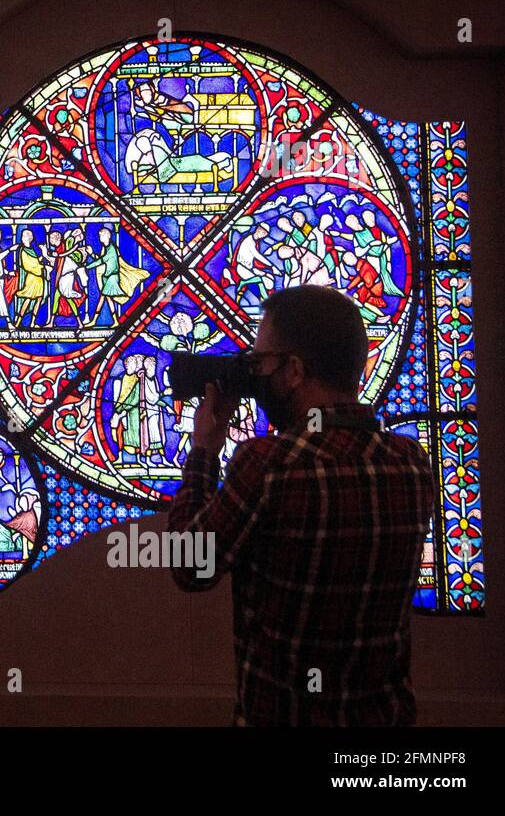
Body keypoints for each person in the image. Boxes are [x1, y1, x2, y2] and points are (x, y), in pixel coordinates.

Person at [167, 285, 434, 726]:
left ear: (293, 370)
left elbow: (189, 567)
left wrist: (203, 453)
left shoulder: (268, 466)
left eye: (260, 363)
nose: (256, 377)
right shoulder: (412, 463)